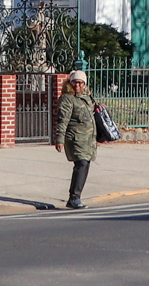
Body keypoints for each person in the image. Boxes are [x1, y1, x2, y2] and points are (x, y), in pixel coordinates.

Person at [53, 70, 96, 208]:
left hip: (89, 140)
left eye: (80, 82)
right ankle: (74, 197)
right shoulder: (67, 98)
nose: (77, 85)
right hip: (75, 138)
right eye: (75, 82)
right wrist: (60, 139)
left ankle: (75, 197)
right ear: (70, 83)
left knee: (85, 164)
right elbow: (62, 120)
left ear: (84, 84)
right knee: (81, 164)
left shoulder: (87, 97)